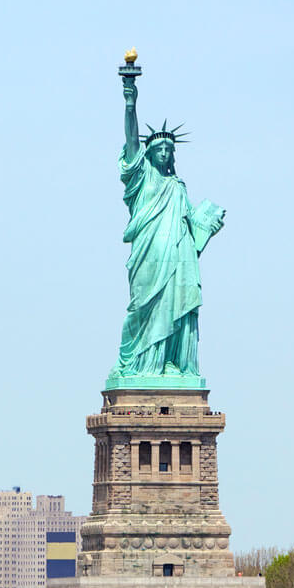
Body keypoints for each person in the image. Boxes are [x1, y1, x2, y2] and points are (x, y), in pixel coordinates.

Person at [109, 74, 224, 381]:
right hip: (147, 256)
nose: (163, 153)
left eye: (168, 150)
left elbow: (190, 234)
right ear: (149, 153)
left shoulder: (178, 187)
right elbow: (132, 142)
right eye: (158, 148)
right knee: (141, 309)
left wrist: (206, 229)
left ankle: (168, 363)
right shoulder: (142, 178)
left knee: (174, 306)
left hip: (177, 260)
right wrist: (130, 103)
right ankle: (136, 364)